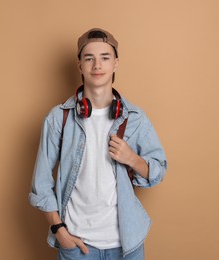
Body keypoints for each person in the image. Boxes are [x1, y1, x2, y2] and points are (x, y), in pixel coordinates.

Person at [29, 28, 167, 260]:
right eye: (89, 58)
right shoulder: (58, 118)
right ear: (79, 65)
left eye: (105, 57)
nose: (97, 65)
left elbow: (158, 171)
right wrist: (58, 230)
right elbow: (41, 184)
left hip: (127, 244)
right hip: (76, 245)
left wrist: (132, 158)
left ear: (116, 64)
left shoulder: (134, 117)